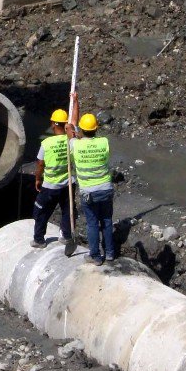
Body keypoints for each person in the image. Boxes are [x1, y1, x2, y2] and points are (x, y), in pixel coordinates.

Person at [71, 113, 114, 265]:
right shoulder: (104, 142)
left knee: (92, 223)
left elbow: (73, 133)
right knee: (107, 221)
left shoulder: (75, 144)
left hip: (88, 192)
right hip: (106, 189)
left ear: (81, 130)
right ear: (96, 129)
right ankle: (109, 253)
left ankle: (95, 256)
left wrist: (72, 132)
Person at [33, 109, 75, 252]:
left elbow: (40, 164)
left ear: (52, 124)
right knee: (67, 210)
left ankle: (39, 240)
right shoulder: (71, 140)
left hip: (50, 185)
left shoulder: (46, 143)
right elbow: (74, 122)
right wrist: (74, 102)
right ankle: (66, 235)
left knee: (41, 211)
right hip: (67, 184)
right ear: (65, 125)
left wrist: (38, 179)